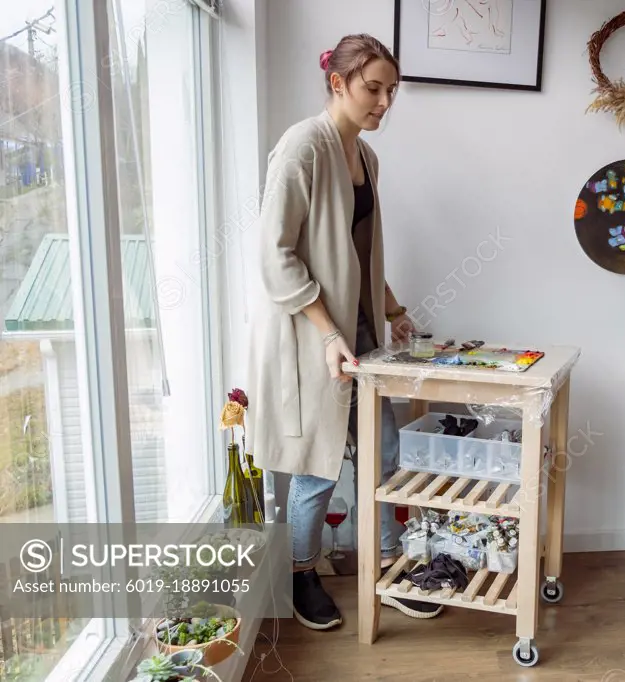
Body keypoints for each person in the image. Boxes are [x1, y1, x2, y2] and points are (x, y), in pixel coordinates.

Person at [248, 34, 443, 630]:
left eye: (392, 91)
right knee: (317, 464)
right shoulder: (302, 148)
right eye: (374, 88)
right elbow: (275, 255)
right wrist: (328, 333)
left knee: (383, 451)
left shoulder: (367, 157)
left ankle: (388, 563)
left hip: (359, 337)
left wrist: (393, 309)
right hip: (311, 336)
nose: (385, 102)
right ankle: (301, 574)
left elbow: (361, 253)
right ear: (338, 82)